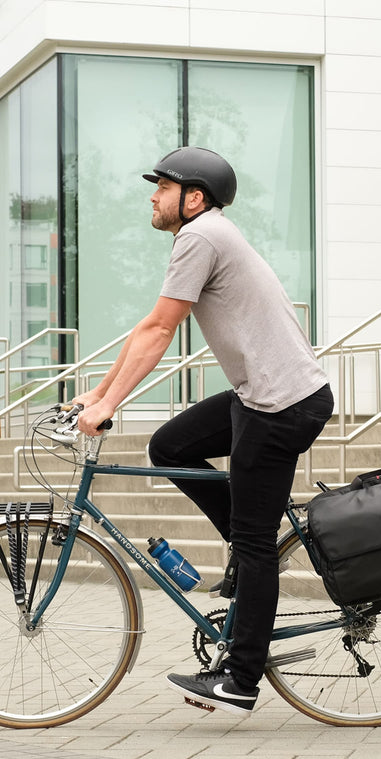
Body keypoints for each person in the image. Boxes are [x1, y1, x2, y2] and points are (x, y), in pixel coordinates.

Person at [74, 146, 333, 718]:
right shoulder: (201, 236)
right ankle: (245, 546)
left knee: (257, 542)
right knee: (169, 446)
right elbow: (150, 325)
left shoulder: (202, 236)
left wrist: (109, 404)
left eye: (162, 187)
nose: (152, 195)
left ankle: (241, 680)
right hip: (258, 395)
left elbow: (163, 331)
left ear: (194, 198)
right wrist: (98, 395)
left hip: (282, 405)